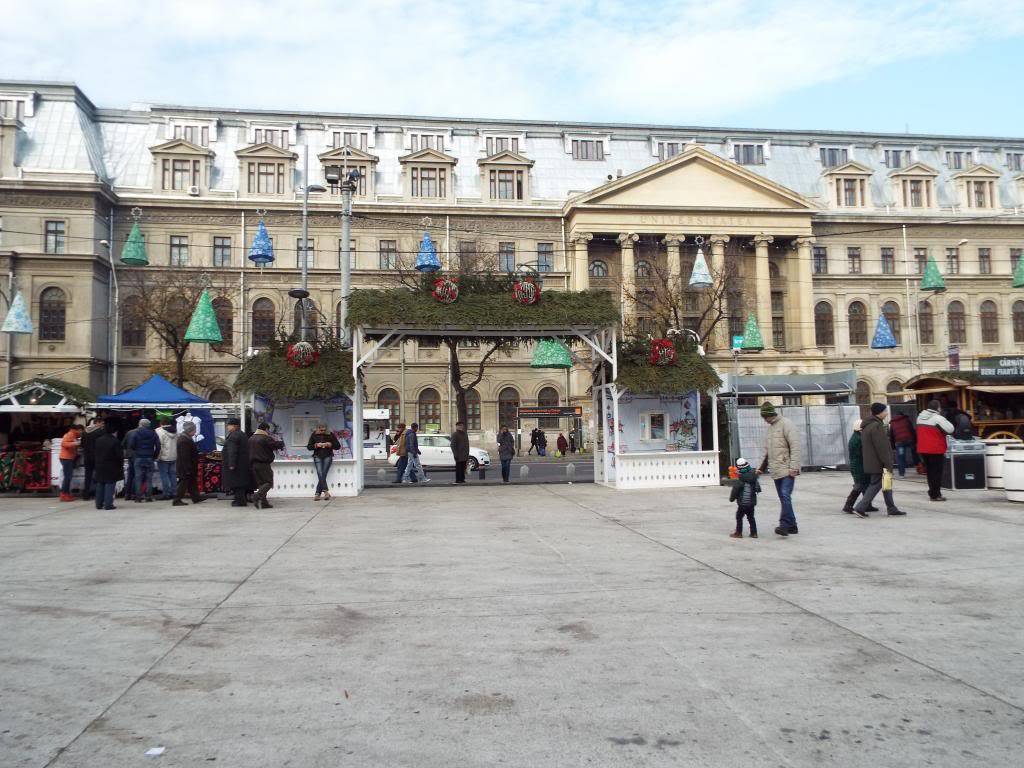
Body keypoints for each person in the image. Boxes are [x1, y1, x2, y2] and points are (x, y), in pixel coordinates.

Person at [756, 402, 800, 537]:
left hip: (787, 468)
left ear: (770, 415)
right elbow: (767, 451)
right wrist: (760, 468)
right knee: (783, 497)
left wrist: (794, 467)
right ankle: (793, 526)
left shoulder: (787, 424)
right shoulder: (770, 429)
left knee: (785, 495)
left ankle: (784, 525)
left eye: (765, 417)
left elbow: (795, 446)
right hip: (776, 469)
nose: (764, 420)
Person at [853, 403, 906, 517]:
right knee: (876, 484)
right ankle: (860, 507)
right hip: (879, 463)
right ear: (879, 412)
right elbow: (881, 447)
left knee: (886, 484)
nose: (887, 413)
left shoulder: (868, 425)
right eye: (885, 411)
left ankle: (891, 508)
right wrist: (887, 463)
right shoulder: (876, 426)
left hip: (872, 462)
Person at [916, 399, 954, 502]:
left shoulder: (920, 417)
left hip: (923, 449)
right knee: (937, 472)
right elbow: (950, 429)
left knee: (930, 472)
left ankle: (932, 492)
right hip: (936, 449)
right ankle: (936, 494)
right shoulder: (938, 418)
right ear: (938, 408)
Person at [249, 422, 283, 508]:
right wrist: (280, 443)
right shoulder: (265, 438)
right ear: (266, 429)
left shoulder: (251, 438)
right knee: (269, 482)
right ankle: (256, 496)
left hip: (253, 464)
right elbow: (274, 445)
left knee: (261, 483)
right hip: (263, 464)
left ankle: (264, 503)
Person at [91, 423, 124, 511]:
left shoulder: (98, 440)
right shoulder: (115, 441)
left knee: (100, 484)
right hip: (111, 466)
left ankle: (99, 504)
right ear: (114, 432)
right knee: (110, 484)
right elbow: (119, 456)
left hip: (99, 465)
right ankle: (108, 504)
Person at [127, 418, 160, 503]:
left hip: (138, 457)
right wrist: (154, 455)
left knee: (138, 478)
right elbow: (158, 446)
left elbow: (131, 445)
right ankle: (148, 497)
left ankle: (138, 497)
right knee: (149, 478)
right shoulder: (153, 433)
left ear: (140, 424)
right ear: (148, 425)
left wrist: (136, 451)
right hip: (149, 457)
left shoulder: (136, 433)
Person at [728, 457, 761, 538]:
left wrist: (731, 499)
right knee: (751, 517)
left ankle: (738, 533)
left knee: (739, 516)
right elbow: (758, 489)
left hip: (742, 503)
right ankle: (754, 533)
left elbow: (735, 490)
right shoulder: (754, 477)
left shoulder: (740, 479)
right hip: (751, 502)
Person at [172, 422, 203, 505]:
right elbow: (184, 456)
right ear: (190, 430)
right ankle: (177, 500)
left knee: (192, 482)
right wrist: (188, 469)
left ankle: (196, 498)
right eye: (194, 430)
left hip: (188, 466)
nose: (195, 432)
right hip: (185, 467)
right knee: (183, 483)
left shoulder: (186, 438)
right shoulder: (184, 440)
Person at [307, 423, 340, 500]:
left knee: (323, 474)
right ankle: (326, 492)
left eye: (324, 430)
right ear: (318, 428)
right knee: (320, 473)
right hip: (317, 455)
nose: (323, 431)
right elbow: (309, 447)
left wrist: (330, 444)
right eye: (321, 430)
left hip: (328, 455)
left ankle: (317, 494)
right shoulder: (314, 435)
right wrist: (316, 445)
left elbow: (338, 446)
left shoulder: (331, 434)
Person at [222, 418, 250, 507]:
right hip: (243, 463)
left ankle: (239, 501)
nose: (227, 427)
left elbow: (232, 451)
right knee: (240, 483)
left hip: (236, 464)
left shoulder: (233, 436)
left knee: (236, 483)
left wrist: (231, 464)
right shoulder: (242, 434)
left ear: (234, 426)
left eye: (229, 425)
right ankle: (241, 499)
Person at [80, 417, 104, 500]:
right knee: (98, 476)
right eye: (102, 423)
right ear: (97, 422)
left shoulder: (85, 432)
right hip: (97, 457)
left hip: (87, 456)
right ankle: (97, 493)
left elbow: (82, 445)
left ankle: (86, 494)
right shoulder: (100, 432)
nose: (102, 425)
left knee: (88, 476)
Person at [58, 424, 83, 501]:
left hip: (67, 458)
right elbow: (64, 444)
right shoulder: (70, 434)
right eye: (81, 430)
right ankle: (63, 494)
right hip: (66, 458)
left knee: (68, 477)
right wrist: (75, 444)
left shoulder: (73, 435)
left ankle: (66, 493)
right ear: (78, 430)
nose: (82, 432)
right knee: (68, 477)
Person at [155, 419, 177, 500]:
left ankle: (166, 494)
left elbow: (159, 445)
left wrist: (157, 457)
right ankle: (174, 493)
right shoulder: (175, 431)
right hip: (174, 456)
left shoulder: (159, 432)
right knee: (173, 475)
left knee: (164, 475)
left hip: (163, 457)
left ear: (161, 423)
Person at [889, 410, 916, 478]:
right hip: (909, 440)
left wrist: (893, 447)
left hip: (900, 442)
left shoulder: (892, 423)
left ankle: (902, 474)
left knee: (901, 457)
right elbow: (912, 430)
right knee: (915, 451)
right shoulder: (906, 419)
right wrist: (915, 441)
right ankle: (917, 464)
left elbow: (891, 435)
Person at [121, 421, 138, 500]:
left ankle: (127, 494)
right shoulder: (141, 433)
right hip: (137, 456)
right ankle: (134, 493)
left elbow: (123, 444)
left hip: (129, 455)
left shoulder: (129, 432)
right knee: (136, 475)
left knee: (130, 475)